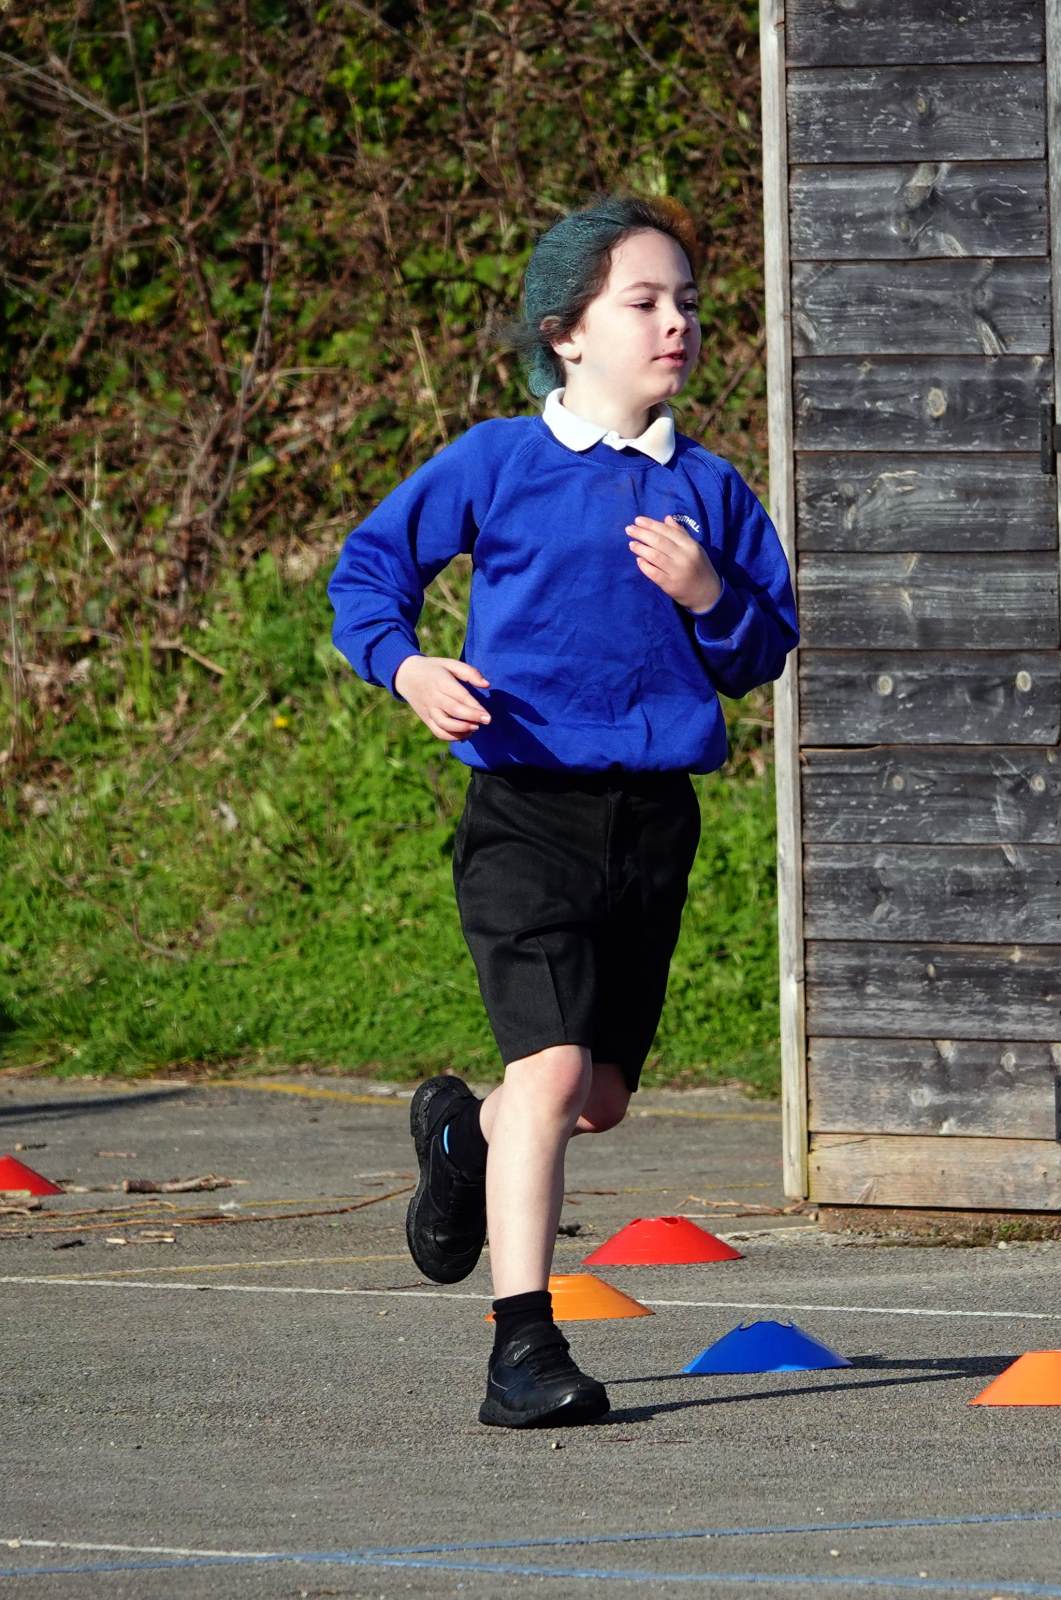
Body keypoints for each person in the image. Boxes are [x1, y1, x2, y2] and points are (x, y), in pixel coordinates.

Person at [327, 191, 799, 1430]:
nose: (675, 322)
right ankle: (521, 1347)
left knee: (596, 1098)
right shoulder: (496, 462)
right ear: (566, 331)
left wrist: (709, 595)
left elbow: (761, 647)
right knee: (545, 1070)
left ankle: (460, 1145)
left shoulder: (708, 488)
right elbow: (368, 570)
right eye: (642, 301)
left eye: (686, 302)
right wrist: (405, 666)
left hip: (650, 823)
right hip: (524, 811)